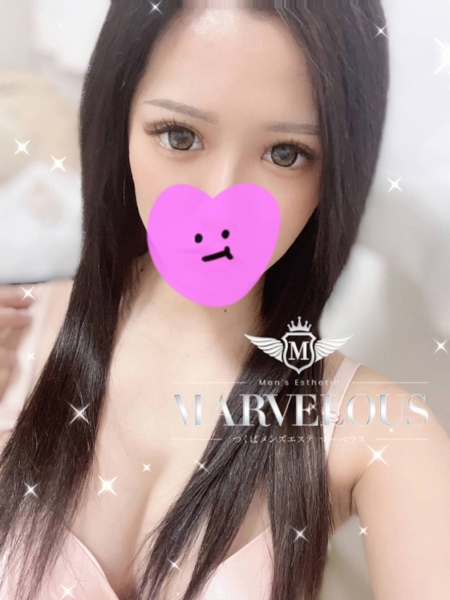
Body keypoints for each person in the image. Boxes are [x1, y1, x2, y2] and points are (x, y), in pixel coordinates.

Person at [1, 1, 449, 599]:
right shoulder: (13, 339)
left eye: (286, 153)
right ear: (118, 123)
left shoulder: (380, 432)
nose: (220, 198)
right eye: (180, 136)